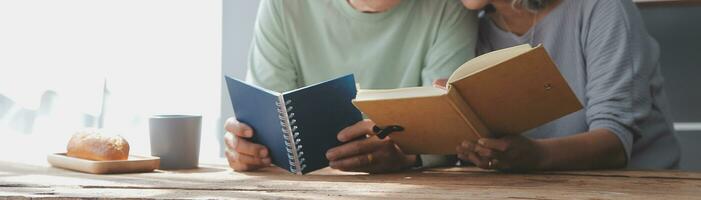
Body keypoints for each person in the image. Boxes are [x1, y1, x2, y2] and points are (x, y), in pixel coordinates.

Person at [224, 0, 478, 173]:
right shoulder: (284, 5)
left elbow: (445, 133)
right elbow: (267, 122)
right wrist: (249, 147)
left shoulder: (451, 8)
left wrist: (406, 155)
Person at [453, 0, 680, 171]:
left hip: (635, 187)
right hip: (535, 190)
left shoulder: (601, 7)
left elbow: (616, 143)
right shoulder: (472, 29)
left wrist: (536, 156)